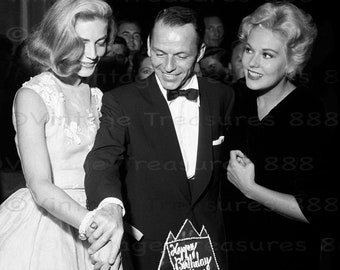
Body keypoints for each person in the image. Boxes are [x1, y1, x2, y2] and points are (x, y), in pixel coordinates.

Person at [84, 6, 234, 270]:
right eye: (160, 53)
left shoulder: (223, 96)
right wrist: (109, 205)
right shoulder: (122, 101)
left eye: (181, 56)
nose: (168, 66)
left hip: (211, 247)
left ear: (200, 52)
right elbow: (102, 160)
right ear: (149, 45)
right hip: (151, 249)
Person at [0, 0, 117, 269]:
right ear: (60, 39)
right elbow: (40, 186)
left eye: (100, 42)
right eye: (82, 43)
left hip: (101, 212)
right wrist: (95, 227)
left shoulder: (100, 97)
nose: (92, 54)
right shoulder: (32, 96)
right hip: (49, 225)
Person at [223, 2, 337, 270]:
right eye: (250, 50)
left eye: (267, 55)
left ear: (291, 63)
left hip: (286, 258)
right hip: (233, 255)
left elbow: (319, 211)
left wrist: (252, 190)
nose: (251, 62)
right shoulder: (236, 97)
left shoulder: (307, 112)